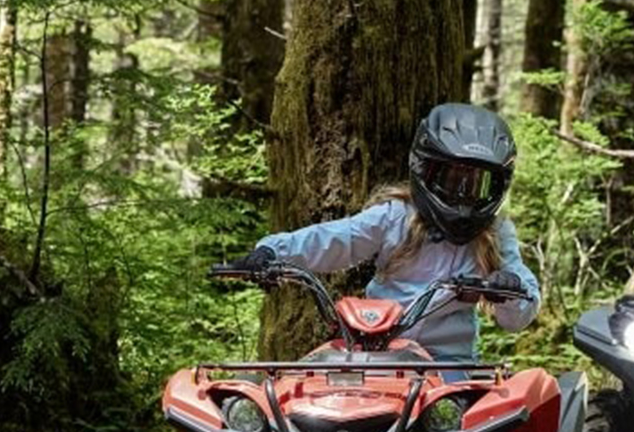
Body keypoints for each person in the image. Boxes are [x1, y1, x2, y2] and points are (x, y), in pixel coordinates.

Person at [225, 102, 542, 360]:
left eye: (479, 184)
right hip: (375, 352)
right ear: (424, 169)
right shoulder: (395, 217)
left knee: (460, 421)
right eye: (452, 179)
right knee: (314, 396)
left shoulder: (495, 234)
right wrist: (271, 252)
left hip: (445, 364)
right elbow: (338, 239)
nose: (463, 193)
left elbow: (519, 315)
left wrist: (507, 289)